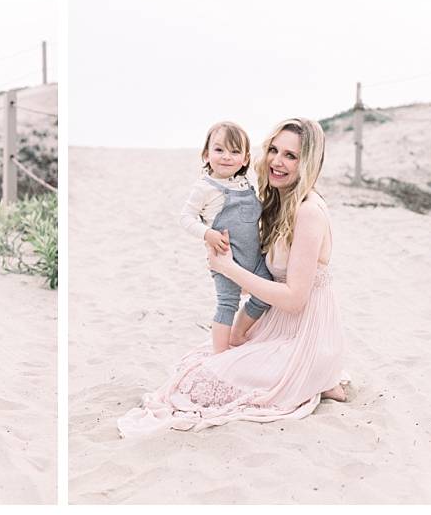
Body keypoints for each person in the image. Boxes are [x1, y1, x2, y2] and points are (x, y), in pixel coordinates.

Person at [118, 118, 345, 437]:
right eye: (274, 150)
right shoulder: (280, 200)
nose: (277, 161)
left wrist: (229, 268)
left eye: (291, 156)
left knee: (202, 383)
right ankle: (319, 379)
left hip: (302, 333)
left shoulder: (308, 212)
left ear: (308, 162)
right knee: (197, 366)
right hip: (276, 325)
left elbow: (295, 300)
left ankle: (317, 376)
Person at [178, 121, 271, 353]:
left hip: (254, 258)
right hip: (225, 257)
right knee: (227, 304)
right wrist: (207, 233)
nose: (227, 157)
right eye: (219, 150)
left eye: (235, 151)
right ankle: (220, 353)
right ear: (206, 154)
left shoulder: (246, 184)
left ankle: (238, 335)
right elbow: (186, 217)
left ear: (246, 159)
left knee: (266, 295)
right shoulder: (204, 187)